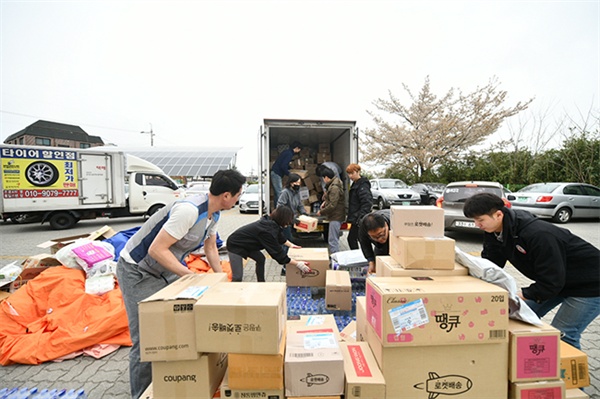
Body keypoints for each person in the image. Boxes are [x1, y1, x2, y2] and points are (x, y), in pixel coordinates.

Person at [116, 169, 246, 399]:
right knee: (146, 338)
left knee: (187, 318)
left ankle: (178, 380)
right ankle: (141, 395)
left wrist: (221, 278)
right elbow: (156, 249)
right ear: (226, 195)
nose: (238, 199)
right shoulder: (188, 211)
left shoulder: (213, 214)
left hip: (165, 270)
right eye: (238, 195)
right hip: (137, 271)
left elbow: (211, 247)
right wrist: (190, 276)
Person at [463, 193, 600, 349]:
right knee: (518, 318)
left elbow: (551, 282)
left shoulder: (537, 234)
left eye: (480, 220)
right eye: (474, 220)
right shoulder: (495, 231)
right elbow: (491, 264)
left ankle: (570, 372)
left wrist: (520, 295)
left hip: (590, 284)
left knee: (563, 335)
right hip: (557, 280)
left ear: (498, 214)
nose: (477, 225)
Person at [227, 205, 311, 282]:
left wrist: (292, 245)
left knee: (260, 258)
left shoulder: (272, 222)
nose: (288, 224)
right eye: (288, 222)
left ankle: (261, 283)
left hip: (247, 245)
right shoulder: (267, 231)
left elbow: (280, 237)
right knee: (237, 277)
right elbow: (278, 254)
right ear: (283, 219)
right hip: (235, 244)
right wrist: (298, 264)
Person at [277, 173, 308, 274]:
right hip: (285, 220)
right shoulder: (285, 193)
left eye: (299, 183)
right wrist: (290, 217)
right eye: (296, 182)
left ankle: (289, 263)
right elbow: (280, 206)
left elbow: (299, 205)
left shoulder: (296, 192)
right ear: (291, 183)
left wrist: (303, 213)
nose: (298, 184)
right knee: (287, 242)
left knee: (292, 241)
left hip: (292, 219)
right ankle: (284, 267)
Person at [317, 167, 345, 255]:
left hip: (336, 216)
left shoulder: (334, 188)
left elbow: (333, 205)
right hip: (335, 215)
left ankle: (335, 260)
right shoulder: (334, 184)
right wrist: (325, 202)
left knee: (333, 240)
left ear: (326, 177)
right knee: (333, 239)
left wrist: (321, 212)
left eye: (323, 178)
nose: (323, 180)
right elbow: (333, 199)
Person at [345, 163, 372, 250]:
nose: (350, 176)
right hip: (356, 218)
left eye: (352, 173)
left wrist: (360, 217)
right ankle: (362, 257)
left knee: (352, 239)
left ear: (358, 172)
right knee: (359, 239)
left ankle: (359, 258)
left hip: (359, 219)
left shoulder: (362, 185)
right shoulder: (356, 184)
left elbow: (367, 203)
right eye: (349, 174)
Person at [358, 209, 391, 274]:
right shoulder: (363, 227)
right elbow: (365, 244)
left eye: (381, 235)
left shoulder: (395, 222)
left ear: (386, 225)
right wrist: (371, 262)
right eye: (375, 237)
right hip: (379, 247)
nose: (380, 239)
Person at [270, 141, 302, 207]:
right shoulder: (289, 154)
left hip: (276, 173)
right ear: (296, 148)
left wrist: (290, 168)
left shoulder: (287, 152)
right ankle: (281, 210)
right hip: (276, 173)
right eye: (299, 149)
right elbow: (283, 166)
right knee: (279, 192)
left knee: (277, 193)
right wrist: (289, 174)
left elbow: (284, 164)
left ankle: (277, 209)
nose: (299, 151)